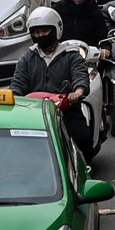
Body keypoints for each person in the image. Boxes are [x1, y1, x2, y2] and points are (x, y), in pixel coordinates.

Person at [10, 10, 94, 156]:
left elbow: (80, 76)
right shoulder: (27, 57)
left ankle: (84, 172)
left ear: (56, 29)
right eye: (36, 32)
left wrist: (78, 92)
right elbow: (18, 83)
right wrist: (12, 96)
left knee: (83, 138)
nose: (40, 35)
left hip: (66, 110)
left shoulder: (71, 55)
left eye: (44, 30)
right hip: (33, 112)